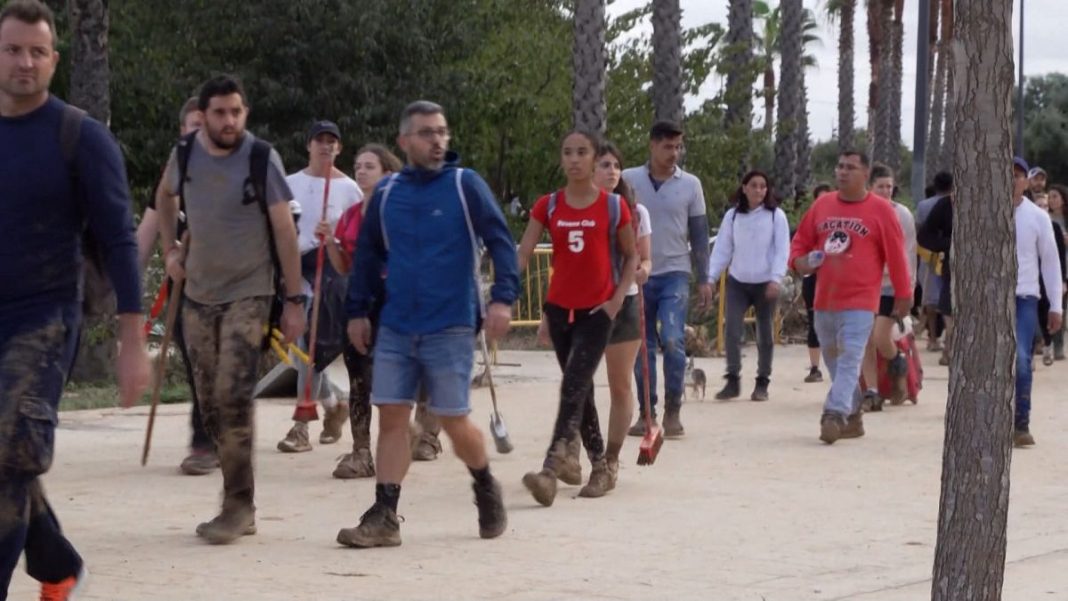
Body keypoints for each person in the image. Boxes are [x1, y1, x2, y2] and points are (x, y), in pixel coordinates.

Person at [0, 1, 150, 598]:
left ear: (55, 60)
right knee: (7, 451)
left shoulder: (79, 136)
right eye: (13, 49)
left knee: (11, 445)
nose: (25, 62)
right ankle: (59, 566)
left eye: (37, 51)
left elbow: (118, 239)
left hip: (44, 315)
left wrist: (132, 339)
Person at [337, 100, 518, 547]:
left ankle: (484, 484)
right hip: (397, 324)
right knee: (392, 416)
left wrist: (503, 299)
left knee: (454, 420)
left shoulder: (464, 185)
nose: (437, 140)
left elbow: (500, 240)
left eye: (442, 132)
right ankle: (385, 513)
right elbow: (367, 257)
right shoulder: (387, 193)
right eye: (426, 133)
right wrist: (358, 310)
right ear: (404, 141)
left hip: (451, 323)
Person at [156, 74, 307, 544]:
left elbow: (285, 231)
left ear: (245, 113)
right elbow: (164, 197)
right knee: (209, 403)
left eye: (236, 112)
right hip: (199, 293)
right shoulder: (184, 155)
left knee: (233, 393)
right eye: (220, 112)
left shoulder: (262, 157)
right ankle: (235, 496)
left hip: (250, 290)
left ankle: (238, 505)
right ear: (203, 116)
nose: (229, 121)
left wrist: (295, 299)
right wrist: (170, 252)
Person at [518, 132, 638, 505]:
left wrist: (617, 300)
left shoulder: (614, 207)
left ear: (593, 159)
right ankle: (598, 464)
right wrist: (503, 288)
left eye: (581, 152)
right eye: (567, 152)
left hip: (597, 312)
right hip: (559, 310)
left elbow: (632, 256)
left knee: (573, 384)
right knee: (580, 389)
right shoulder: (548, 205)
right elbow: (523, 252)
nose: (574, 159)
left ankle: (551, 469)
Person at [321, 143, 437, 478]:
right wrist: (330, 242)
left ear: (388, 172)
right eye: (357, 165)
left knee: (410, 371)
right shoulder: (351, 216)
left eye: (369, 166)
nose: (360, 171)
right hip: (361, 299)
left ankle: (420, 433)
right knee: (360, 376)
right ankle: (360, 451)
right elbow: (343, 267)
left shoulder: (404, 212)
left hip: (401, 298)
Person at [789, 151, 911, 445]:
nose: (842, 172)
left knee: (850, 357)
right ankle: (854, 412)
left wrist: (904, 294)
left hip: (861, 301)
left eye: (851, 168)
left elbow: (896, 256)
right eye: (839, 166)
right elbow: (800, 244)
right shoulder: (822, 205)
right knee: (831, 356)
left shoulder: (881, 211)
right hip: (825, 299)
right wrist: (800, 262)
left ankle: (834, 413)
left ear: (865, 173)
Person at [134, 96, 219, 476]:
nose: (201, 132)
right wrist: (125, 287)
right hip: (185, 287)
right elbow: (147, 233)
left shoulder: (239, 171)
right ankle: (204, 440)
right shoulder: (171, 179)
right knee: (196, 362)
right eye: (193, 126)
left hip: (233, 286)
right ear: (182, 132)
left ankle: (220, 435)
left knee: (225, 364)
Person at [276, 120, 362, 454]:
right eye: (320, 141)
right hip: (296, 266)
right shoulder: (288, 183)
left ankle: (301, 426)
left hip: (330, 268)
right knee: (300, 349)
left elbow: (354, 235)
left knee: (310, 348)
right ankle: (332, 402)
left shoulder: (349, 189)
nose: (325, 147)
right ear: (309, 145)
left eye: (332, 142)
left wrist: (335, 240)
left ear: (339, 148)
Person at [623, 120, 711, 438]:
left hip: (675, 272)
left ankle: (674, 408)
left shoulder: (691, 184)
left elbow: (699, 233)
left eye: (678, 146)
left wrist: (705, 277)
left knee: (673, 340)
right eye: (667, 146)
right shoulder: (628, 179)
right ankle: (647, 412)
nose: (674, 153)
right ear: (652, 145)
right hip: (637, 274)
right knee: (641, 347)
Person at [707, 170, 789, 401]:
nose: (758, 191)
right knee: (732, 328)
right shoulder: (733, 217)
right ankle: (732, 378)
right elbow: (723, 248)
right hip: (738, 282)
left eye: (763, 187)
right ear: (744, 188)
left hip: (765, 283)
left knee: (765, 334)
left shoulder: (776, 216)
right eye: (754, 186)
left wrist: (776, 278)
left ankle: (762, 381)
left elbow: (782, 250)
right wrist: (711, 277)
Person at [1012, 157, 1063, 447]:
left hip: (1024, 298)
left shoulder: (1037, 217)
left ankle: (1021, 421)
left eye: (1018, 175)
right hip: (991, 301)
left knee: (1021, 359)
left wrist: (1055, 305)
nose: (1012, 180)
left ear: (1026, 181)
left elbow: (1051, 263)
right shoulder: (982, 215)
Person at [859, 163, 916, 410]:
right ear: (870, 187)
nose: (886, 191)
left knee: (881, 336)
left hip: (891, 285)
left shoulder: (902, 214)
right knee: (864, 340)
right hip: (865, 284)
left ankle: (899, 365)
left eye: (889, 187)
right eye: (880, 186)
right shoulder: (861, 211)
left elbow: (909, 253)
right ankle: (871, 391)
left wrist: (909, 289)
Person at [914, 172, 953, 353]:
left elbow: (920, 231)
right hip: (945, 258)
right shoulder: (945, 204)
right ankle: (948, 341)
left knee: (931, 297)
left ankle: (933, 338)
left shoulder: (924, 205)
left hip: (930, 256)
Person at [801, 183, 833, 382]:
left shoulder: (841, 222)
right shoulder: (810, 222)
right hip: (813, 277)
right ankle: (815, 367)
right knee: (814, 322)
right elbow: (798, 246)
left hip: (837, 278)